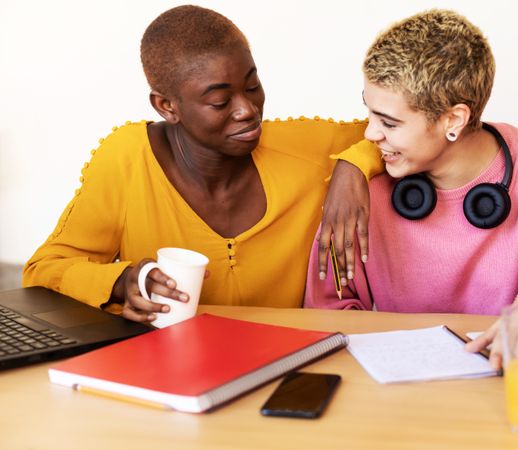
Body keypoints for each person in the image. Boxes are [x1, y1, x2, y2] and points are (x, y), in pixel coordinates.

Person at [22, 5, 382, 323]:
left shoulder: (306, 149)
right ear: (167, 107)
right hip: (167, 371)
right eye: (220, 101)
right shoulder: (128, 159)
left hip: (286, 364)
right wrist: (121, 281)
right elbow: (44, 270)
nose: (247, 110)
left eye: (252, 85)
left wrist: (353, 165)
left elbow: (406, 130)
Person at [304, 9, 518, 368]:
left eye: (389, 123)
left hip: (510, 381)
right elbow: (326, 310)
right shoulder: (366, 182)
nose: (369, 134)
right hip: (401, 393)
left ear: (453, 119)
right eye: (370, 113)